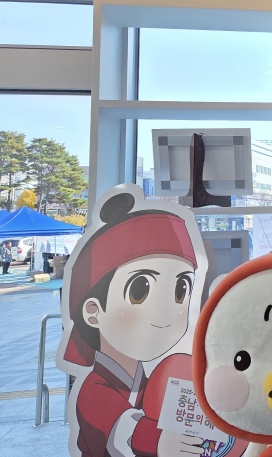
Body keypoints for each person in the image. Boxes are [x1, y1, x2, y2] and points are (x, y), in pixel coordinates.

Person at [62, 192, 205, 457]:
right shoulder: (93, 389)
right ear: (94, 312)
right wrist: (161, 442)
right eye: (140, 290)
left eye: (181, 290)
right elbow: (125, 430)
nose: (165, 311)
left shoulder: (151, 382)